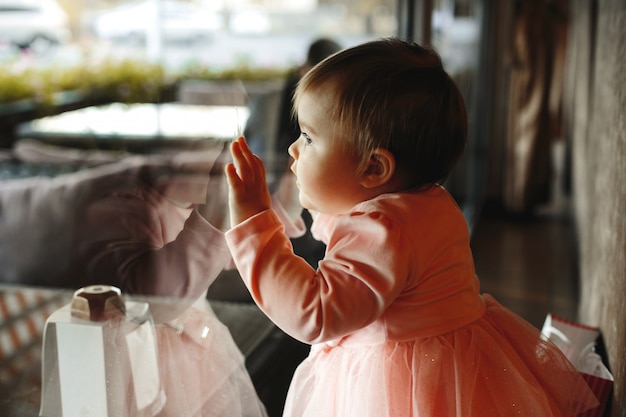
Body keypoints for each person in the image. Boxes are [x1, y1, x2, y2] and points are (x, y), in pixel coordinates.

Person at [223, 38, 599, 416]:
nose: (292, 149)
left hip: (400, 388)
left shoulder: (383, 229)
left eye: (308, 137)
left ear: (374, 168)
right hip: (458, 369)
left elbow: (315, 311)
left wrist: (255, 227)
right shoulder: (429, 202)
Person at [0, 142, 305, 417]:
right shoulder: (123, 207)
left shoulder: (174, 198)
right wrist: (212, 220)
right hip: (139, 366)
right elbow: (154, 299)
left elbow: (222, 252)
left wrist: (277, 210)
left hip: (192, 354)